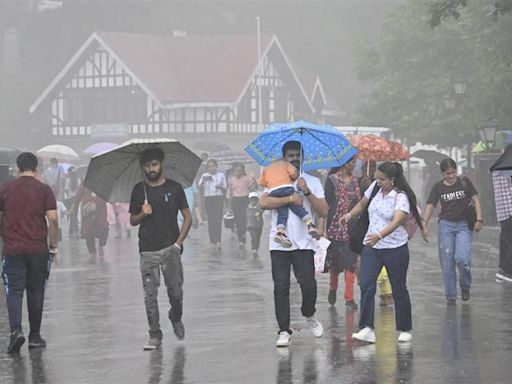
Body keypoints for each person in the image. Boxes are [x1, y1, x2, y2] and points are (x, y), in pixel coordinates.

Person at [341, 162, 423, 343]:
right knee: (366, 284)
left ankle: (404, 329)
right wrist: (349, 215)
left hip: (395, 248)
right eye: (377, 178)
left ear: (392, 180)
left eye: (382, 179)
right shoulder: (375, 188)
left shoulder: (400, 196)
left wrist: (380, 235)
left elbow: (397, 220)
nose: (378, 181)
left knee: (398, 288)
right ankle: (367, 328)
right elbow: (362, 203)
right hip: (372, 246)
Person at [260, 140, 328, 347]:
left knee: (308, 285)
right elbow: (264, 202)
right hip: (279, 243)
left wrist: (306, 192)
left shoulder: (313, 181)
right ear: (284, 158)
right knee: (280, 287)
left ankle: (309, 313)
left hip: (304, 244)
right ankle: (283, 330)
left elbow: (324, 211)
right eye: (291, 155)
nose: (295, 159)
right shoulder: (274, 177)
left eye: (298, 155)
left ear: (303, 157)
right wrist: (289, 199)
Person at [129, 147, 192, 350]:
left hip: (170, 249)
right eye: (147, 165)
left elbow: (188, 218)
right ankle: (154, 334)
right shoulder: (139, 190)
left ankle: (175, 316)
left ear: (161, 164)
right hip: (147, 250)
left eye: (154, 164)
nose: (151, 169)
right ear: (142, 167)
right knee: (150, 295)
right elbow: (132, 221)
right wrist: (142, 213)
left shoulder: (174, 188)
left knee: (176, 292)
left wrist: (177, 244)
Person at [0, 152, 58, 353]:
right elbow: (53, 219)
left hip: (12, 250)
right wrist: (53, 247)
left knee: (13, 292)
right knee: (36, 292)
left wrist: (6, 236)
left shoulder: (6, 189)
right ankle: (35, 336)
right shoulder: (44, 190)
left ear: (17, 168)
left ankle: (16, 330)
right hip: (38, 251)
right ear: (37, 169)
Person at [422, 158, 483, 304]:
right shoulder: (438, 187)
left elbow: (476, 199)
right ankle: (450, 296)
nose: (451, 176)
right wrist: (424, 224)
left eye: (453, 172)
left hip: (463, 225)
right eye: (448, 173)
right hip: (446, 225)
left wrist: (479, 219)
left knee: (463, 259)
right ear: (442, 173)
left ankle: (465, 285)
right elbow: (430, 205)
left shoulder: (464, 182)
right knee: (447, 262)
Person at [324, 157, 360, 310]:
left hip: (351, 226)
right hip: (335, 227)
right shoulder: (331, 180)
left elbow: (360, 202)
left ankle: (349, 298)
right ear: (345, 163)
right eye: (352, 162)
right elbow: (326, 204)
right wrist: (322, 228)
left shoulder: (355, 181)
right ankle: (333, 288)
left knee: (350, 263)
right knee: (335, 263)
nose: (354, 165)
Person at [259, 158, 319, 248]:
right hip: (286, 187)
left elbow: (261, 182)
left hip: (274, 191)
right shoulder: (285, 164)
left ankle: (280, 233)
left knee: (282, 213)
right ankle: (310, 225)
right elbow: (293, 174)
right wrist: (295, 178)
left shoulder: (267, 168)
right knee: (298, 208)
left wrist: (272, 182)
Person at [72, 186, 109, 256]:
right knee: (89, 232)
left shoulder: (103, 182)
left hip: (101, 209)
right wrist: (75, 213)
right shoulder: (84, 182)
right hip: (87, 211)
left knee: (104, 227)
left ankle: (101, 246)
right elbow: (77, 198)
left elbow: (108, 195)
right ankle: (92, 253)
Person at [198, 159, 226, 249]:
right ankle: (212, 240)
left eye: (213, 166)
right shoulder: (204, 175)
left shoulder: (221, 175)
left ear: (216, 166)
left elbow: (225, 187)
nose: (211, 168)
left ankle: (218, 240)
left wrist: (220, 187)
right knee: (211, 219)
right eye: (209, 166)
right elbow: (200, 187)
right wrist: (203, 181)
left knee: (218, 219)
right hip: (208, 198)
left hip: (218, 197)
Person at [227, 163, 257, 248]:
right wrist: (229, 206)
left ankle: (243, 234)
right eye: (237, 171)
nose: (239, 173)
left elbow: (253, 187)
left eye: (240, 171)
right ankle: (240, 238)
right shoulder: (231, 179)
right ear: (234, 171)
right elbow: (230, 192)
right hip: (235, 200)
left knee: (243, 219)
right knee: (237, 220)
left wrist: (253, 178)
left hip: (245, 199)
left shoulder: (247, 178)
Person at [493, 164, 512, 283]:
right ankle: (507, 271)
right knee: (509, 241)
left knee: (506, 239)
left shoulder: (497, 168)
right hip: (510, 209)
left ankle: (503, 269)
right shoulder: (507, 168)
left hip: (503, 210)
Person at [246, 191, 264, 256]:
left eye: (254, 199)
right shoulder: (248, 208)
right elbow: (246, 217)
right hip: (251, 225)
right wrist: (246, 226)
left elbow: (262, 211)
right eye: (251, 199)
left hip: (259, 225)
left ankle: (256, 247)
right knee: (253, 237)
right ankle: (254, 249)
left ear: (257, 200)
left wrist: (259, 212)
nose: (253, 201)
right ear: (249, 200)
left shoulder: (259, 207)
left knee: (258, 237)